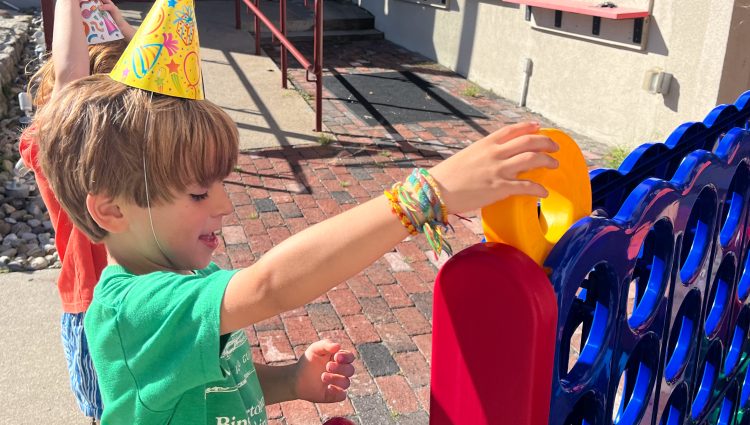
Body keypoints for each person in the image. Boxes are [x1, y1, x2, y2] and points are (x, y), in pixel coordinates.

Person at [36, 73, 557, 424]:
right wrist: (422, 197)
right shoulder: (133, 310)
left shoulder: (183, 279)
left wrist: (292, 380)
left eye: (220, 183)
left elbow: (216, 380)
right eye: (198, 192)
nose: (223, 203)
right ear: (111, 210)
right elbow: (270, 285)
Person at [19, 0, 134, 422]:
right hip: (100, 307)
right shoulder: (64, 147)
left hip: (114, 300)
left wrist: (120, 28)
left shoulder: (137, 138)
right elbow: (73, 88)